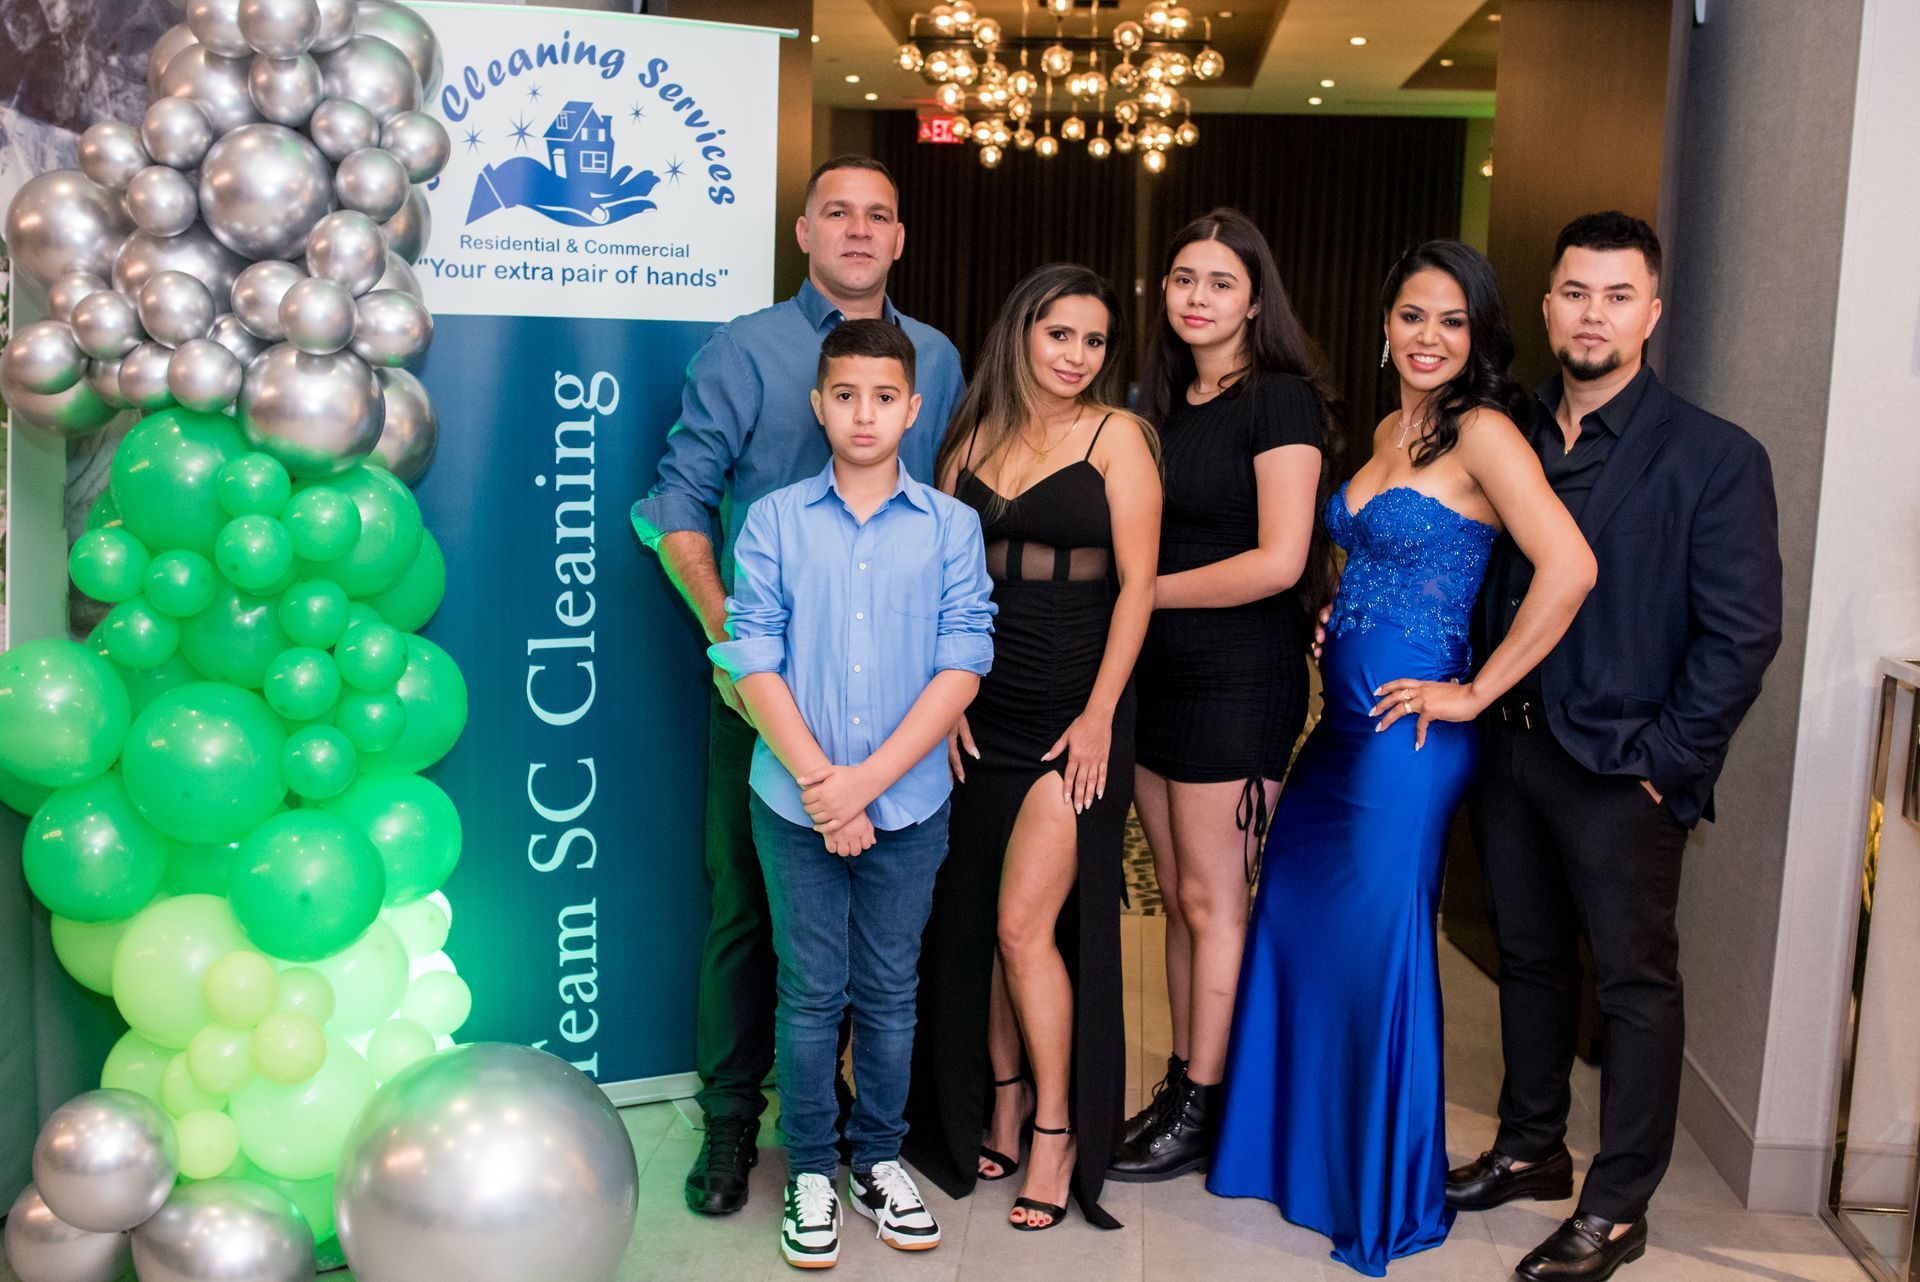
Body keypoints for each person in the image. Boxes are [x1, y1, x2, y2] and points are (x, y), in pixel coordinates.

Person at [1207, 240, 1597, 1276]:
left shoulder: (1484, 431)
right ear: (1385, 324)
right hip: (1336, 732)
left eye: (1452, 322)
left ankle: (1376, 1189)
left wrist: (1475, 686)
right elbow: (1382, 551)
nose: (1429, 338)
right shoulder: (1389, 427)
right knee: (1294, 920)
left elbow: (1570, 564)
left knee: (1379, 951)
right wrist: (1346, 606)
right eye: (1413, 316)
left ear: (1478, 338)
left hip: (1409, 741)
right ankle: (1298, 1156)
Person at [1445, 212, 1783, 1282]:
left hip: (1624, 770)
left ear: (1652, 312)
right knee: (1529, 956)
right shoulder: (1504, 428)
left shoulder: (1715, 456)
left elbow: (1742, 633)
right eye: (1576, 293)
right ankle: (1532, 1144)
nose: (1594, 314)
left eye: (1617, 295)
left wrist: (1663, 763)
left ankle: (1620, 1205)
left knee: (1634, 984)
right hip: (1512, 747)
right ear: (1547, 305)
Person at [630, 155, 966, 1217]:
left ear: (900, 239)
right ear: (804, 231)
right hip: (769, 699)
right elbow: (674, 502)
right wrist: (738, 646)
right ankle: (736, 1124)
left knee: (879, 946)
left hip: (897, 707)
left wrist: (942, 709)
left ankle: (865, 1141)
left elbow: (940, 509)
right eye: (838, 214)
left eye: (879, 216)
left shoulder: (939, 360)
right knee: (750, 910)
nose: (858, 231)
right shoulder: (746, 350)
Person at [710, 319, 995, 1269]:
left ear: (913, 410)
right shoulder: (776, 521)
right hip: (794, 804)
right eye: (844, 396)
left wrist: (867, 785)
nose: (863, 414)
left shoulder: (951, 526)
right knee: (809, 990)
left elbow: (964, 657)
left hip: (908, 804)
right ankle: (809, 1173)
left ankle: (877, 1158)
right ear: (818, 405)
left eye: (883, 398)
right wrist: (822, 787)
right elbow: (749, 651)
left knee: (888, 991)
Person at [902, 263, 1161, 1232]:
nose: (1077, 356)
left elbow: (1135, 587)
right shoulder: (968, 436)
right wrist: (945, 695)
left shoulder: (1119, 436)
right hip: (980, 704)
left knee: (1023, 925)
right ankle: (998, 1097)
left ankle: (1055, 1126)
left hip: (1074, 712)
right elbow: (934, 576)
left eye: (1095, 341)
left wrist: (1100, 716)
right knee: (971, 922)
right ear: (1022, 332)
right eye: (1061, 334)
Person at [1110, 209, 1335, 1182]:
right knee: (1178, 901)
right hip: (1151, 674)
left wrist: (1139, 592)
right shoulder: (1153, 403)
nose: (1197, 297)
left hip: (1237, 679)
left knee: (1213, 899)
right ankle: (1185, 1080)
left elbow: (1283, 560)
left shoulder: (1279, 401)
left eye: (1220, 282)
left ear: (1254, 301)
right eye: (1183, 279)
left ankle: (1208, 1103)